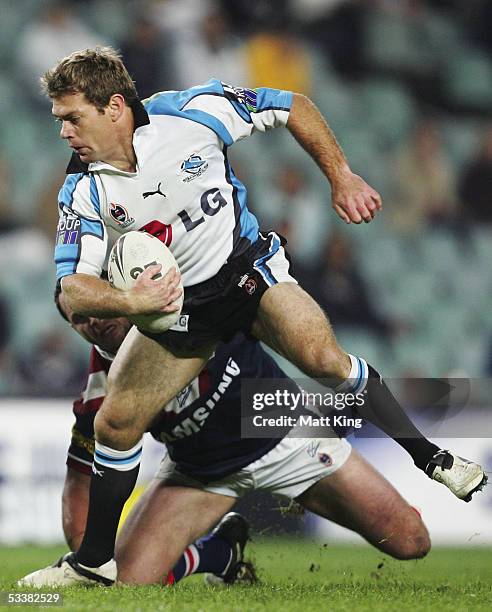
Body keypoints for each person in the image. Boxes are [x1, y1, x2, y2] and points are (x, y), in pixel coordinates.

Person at [29, 47, 485, 585]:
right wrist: (132, 303)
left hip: (252, 301)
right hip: (185, 333)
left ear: (113, 107)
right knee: (116, 423)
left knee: (328, 367)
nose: (64, 133)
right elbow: (70, 289)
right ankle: (95, 564)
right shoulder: (83, 190)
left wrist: (341, 176)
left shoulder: (189, 114)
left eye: (71, 117)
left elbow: (291, 103)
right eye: (59, 120)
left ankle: (430, 457)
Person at [21, 285, 486, 587]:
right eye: (80, 319)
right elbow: (81, 480)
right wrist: (84, 549)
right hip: (197, 473)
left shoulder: (199, 303)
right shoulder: (97, 396)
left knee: (411, 541)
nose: (94, 322)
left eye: (100, 309)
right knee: (123, 583)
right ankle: (217, 553)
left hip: (281, 427)